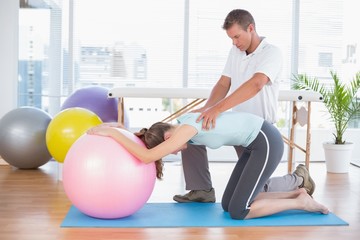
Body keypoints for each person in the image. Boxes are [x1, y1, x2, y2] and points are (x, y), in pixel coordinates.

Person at [175, 9, 315, 203]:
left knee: (254, 191)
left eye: (237, 37)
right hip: (237, 128)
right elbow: (224, 83)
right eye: (231, 38)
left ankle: (298, 179)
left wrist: (218, 109)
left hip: (259, 131)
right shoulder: (236, 52)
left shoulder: (271, 53)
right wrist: (208, 108)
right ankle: (201, 189)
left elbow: (257, 84)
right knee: (191, 128)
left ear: (251, 28)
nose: (234, 42)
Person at [87, 111, 329, 220]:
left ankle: (301, 202)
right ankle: (296, 192)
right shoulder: (178, 126)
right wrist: (122, 131)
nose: (173, 152)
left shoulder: (185, 130)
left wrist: (109, 132)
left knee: (239, 211)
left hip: (266, 140)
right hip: (253, 144)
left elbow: (147, 157)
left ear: (169, 139)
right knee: (227, 205)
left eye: (168, 148)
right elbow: (150, 136)